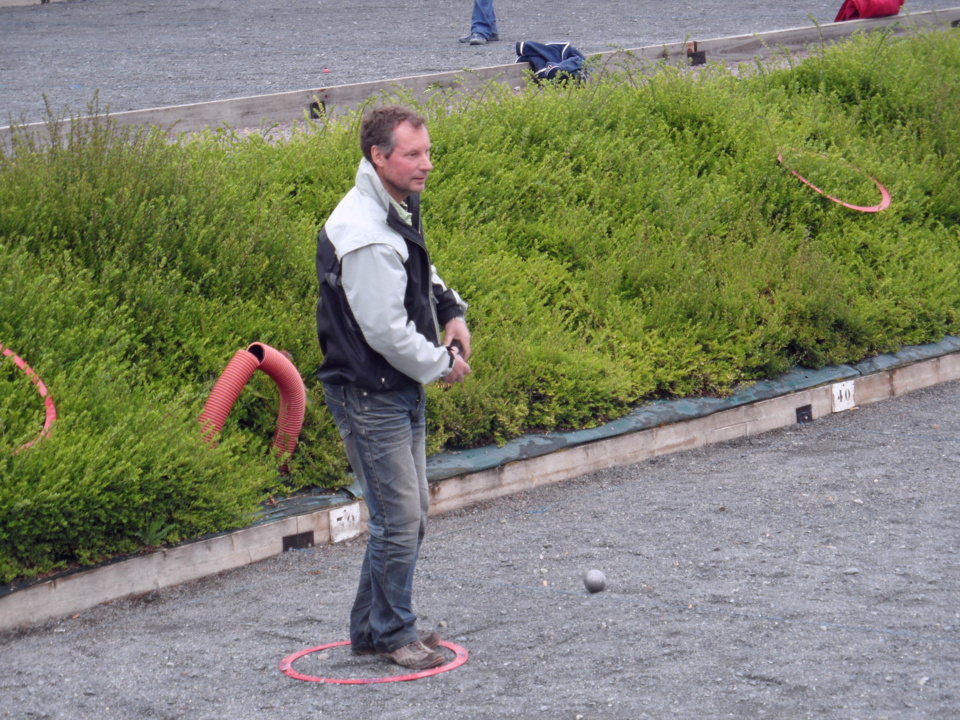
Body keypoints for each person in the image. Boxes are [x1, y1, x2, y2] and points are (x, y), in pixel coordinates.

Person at [315, 106, 472, 670]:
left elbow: (419, 270)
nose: (427, 164)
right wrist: (442, 363)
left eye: (427, 151)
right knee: (400, 519)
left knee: (406, 516)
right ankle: (394, 633)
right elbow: (385, 331)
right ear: (379, 157)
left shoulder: (393, 205)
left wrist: (451, 310)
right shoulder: (364, 232)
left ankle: (370, 629)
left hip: (394, 388)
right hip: (369, 392)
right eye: (413, 154)